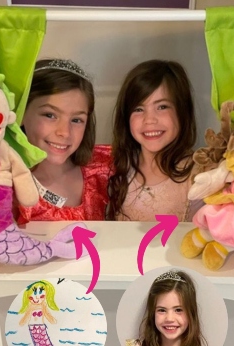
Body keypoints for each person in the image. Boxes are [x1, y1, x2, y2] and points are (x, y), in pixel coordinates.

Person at [16, 58, 112, 224]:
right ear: (21, 113)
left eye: (76, 120)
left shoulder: (104, 166)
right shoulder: (1, 183)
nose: (64, 132)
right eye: (50, 115)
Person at [107, 60, 201, 222]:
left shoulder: (199, 174)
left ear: (182, 111)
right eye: (138, 109)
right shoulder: (115, 167)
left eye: (162, 107)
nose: (149, 120)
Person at [125, 269, 213, 346]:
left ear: (191, 313)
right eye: (162, 310)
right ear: (153, 313)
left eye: (178, 310)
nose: (169, 318)